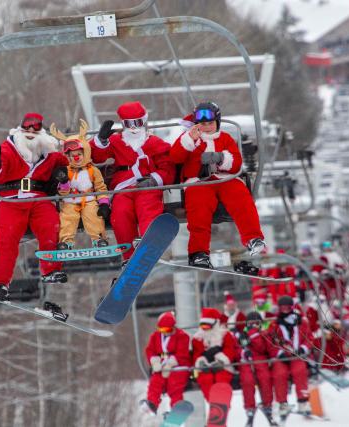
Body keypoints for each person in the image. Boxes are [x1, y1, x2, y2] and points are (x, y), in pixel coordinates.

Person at [0, 112, 69, 300]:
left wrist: (63, 172)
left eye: (35, 127)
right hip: (11, 199)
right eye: (27, 126)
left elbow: (72, 161)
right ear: (20, 128)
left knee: (50, 227)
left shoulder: (50, 154)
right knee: (8, 240)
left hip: (39, 199)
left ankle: (50, 269)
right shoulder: (8, 149)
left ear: (41, 131)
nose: (30, 130)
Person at [169, 101, 266, 269]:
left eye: (210, 123)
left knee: (241, 198)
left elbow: (236, 164)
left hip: (224, 179)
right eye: (203, 124)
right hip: (199, 182)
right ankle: (198, 252)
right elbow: (175, 157)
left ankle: (253, 238)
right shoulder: (189, 140)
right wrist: (189, 140)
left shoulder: (226, 139)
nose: (207, 127)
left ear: (217, 123)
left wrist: (222, 158)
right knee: (199, 210)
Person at [90, 101, 175, 261]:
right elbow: (96, 157)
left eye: (138, 123)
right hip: (124, 187)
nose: (134, 128)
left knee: (148, 207)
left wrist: (154, 180)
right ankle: (128, 255)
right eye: (129, 124)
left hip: (147, 185)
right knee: (120, 214)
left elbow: (168, 168)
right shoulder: (115, 141)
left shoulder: (155, 143)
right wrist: (100, 141)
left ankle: (148, 242)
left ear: (144, 122)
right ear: (123, 124)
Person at [49, 119, 111, 249]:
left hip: (89, 199)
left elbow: (100, 188)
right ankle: (66, 242)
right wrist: (64, 182)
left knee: (93, 215)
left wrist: (104, 203)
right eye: (72, 156)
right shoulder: (66, 171)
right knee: (67, 218)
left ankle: (99, 239)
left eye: (79, 154)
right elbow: (62, 192)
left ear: (85, 153)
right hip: (70, 200)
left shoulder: (92, 170)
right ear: (68, 157)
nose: (76, 158)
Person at [266, 295, 312, 417]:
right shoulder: (274, 324)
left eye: (288, 307)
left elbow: (309, 338)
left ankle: (303, 401)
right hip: (281, 356)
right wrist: (279, 353)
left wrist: (303, 348)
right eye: (283, 307)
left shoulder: (301, 321)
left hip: (297, 355)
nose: (285, 309)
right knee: (279, 374)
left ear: (292, 307)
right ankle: (282, 403)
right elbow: (271, 342)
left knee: (300, 371)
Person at [140, 312, 192, 416]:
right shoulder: (155, 337)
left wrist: (170, 364)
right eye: (162, 330)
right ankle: (152, 403)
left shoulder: (182, 336)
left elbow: (182, 353)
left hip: (178, 366)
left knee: (175, 385)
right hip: (161, 365)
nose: (164, 332)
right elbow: (150, 350)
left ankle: (177, 408)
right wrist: (154, 362)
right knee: (156, 381)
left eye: (167, 330)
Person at [236, 311, 278, 426]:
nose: (253, 325)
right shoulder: (241, 335)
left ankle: (267, 405)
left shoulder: (264, 333)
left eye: (256, 323)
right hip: (247, 360)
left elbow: (262, 348)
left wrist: (253, 334)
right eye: (251, 323)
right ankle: (250, 409)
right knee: (247, 380)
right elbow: (237, 348)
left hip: (260, 358)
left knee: (265, 378)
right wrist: (243, 352)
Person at [192, 307, 237, 401]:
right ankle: (213, 403)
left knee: (222, 379)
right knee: (205, 380)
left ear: (216, 324)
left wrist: (222, 361)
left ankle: (222, 402)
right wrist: (200, 362)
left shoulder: (225, 335)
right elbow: (196, 354)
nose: (205, 329)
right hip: (205, 367)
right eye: (202, 327)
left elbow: (230, 350)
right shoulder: (198, 339)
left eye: (207, 327)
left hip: (222, 366)